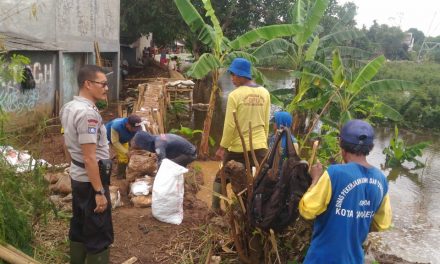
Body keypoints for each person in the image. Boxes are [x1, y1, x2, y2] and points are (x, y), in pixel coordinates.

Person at [299, 119, 392, 263]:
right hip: (353, 259)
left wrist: (315, 180)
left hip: (322, 258)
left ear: (342, 146)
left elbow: (307, 210)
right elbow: (382, 224)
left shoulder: (335, 173)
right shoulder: (381, 180)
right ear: (370, 147)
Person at [60, 65, 113, 264]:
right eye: (103, 84)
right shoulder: (88, 114)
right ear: (88, 84)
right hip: (91, 180)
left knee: (80, 225)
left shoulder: (69, 107)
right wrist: (99, 192)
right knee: (99, 233)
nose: (106, 88)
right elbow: (90, 157)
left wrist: (72, 166)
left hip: (78, 176)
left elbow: (65, 142)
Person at [213, 57, 271, 210]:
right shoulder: (265, 93)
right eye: (231, 75)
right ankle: (257, 209)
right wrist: (264, 141)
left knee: (221, 177)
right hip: (259, 146)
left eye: (234, 75)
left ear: (242, 75)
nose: (232, 78)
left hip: (238, 147)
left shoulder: (235, 95)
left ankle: (215, 208)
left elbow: (230, 125)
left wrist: (223, 147)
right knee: (261, 178)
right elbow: (266, 121)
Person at [105, 115, 142, 179]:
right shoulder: (116, 126)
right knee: (108, 158)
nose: (135, 130)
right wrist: (126, 152)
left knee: (124, 157)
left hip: (123, 139)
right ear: (127, 124)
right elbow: (115, 142)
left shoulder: (137, 127)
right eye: (133, 128)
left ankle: (121, 175)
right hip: (108, 139)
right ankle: (106, 177)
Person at [132, 131, 197, 167]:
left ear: (144, 143)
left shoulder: (159, 145)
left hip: (190, 155)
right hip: (187, 151)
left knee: (168, 166)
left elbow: (162, 163)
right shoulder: (157, 138)